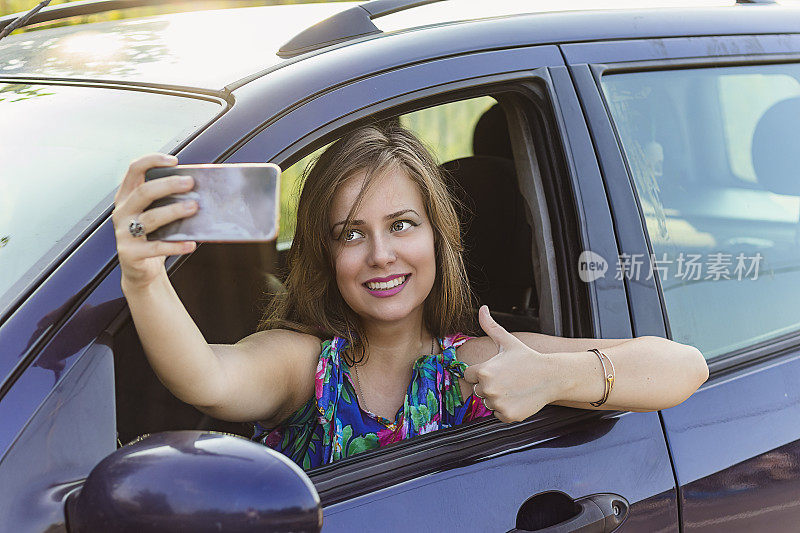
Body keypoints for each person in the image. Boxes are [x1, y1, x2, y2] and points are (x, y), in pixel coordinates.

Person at [112, 122, 709, 471]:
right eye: (352, 233)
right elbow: (207, 379)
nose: (380, 255)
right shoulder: (303, 364)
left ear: (438, 236)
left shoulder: (479, 360)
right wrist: (144, 279)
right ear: (324, 253)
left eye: (402, 225)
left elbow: (684, 367)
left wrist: (555, 377)